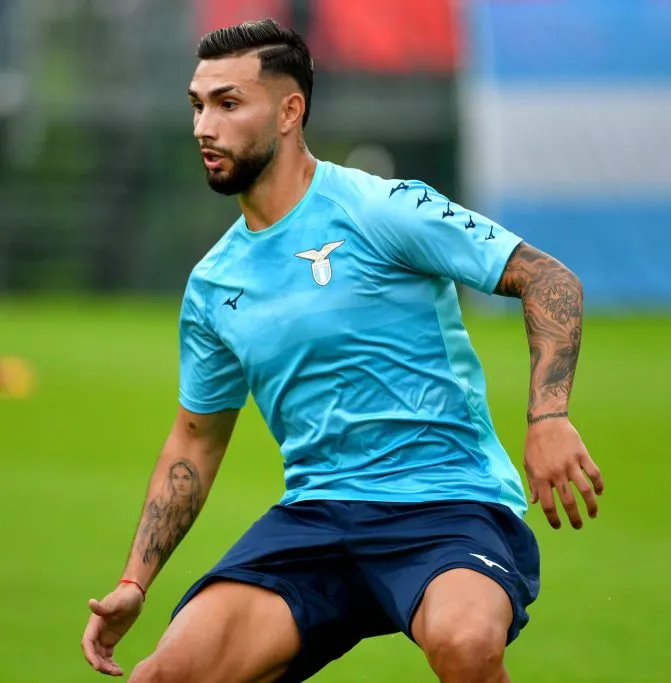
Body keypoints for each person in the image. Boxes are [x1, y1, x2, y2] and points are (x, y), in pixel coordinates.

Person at [80, 17, 603, 683]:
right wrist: (136, 579)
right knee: (166, 674)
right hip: (319, 520)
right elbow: (194, 442)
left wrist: (548, 417)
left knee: (465, 642)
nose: (204, 127)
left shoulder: (381, 208)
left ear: (290, 110)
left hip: (445, 506)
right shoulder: (215, 284)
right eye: (198, 105)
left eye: (228, 104)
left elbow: (548, 278)